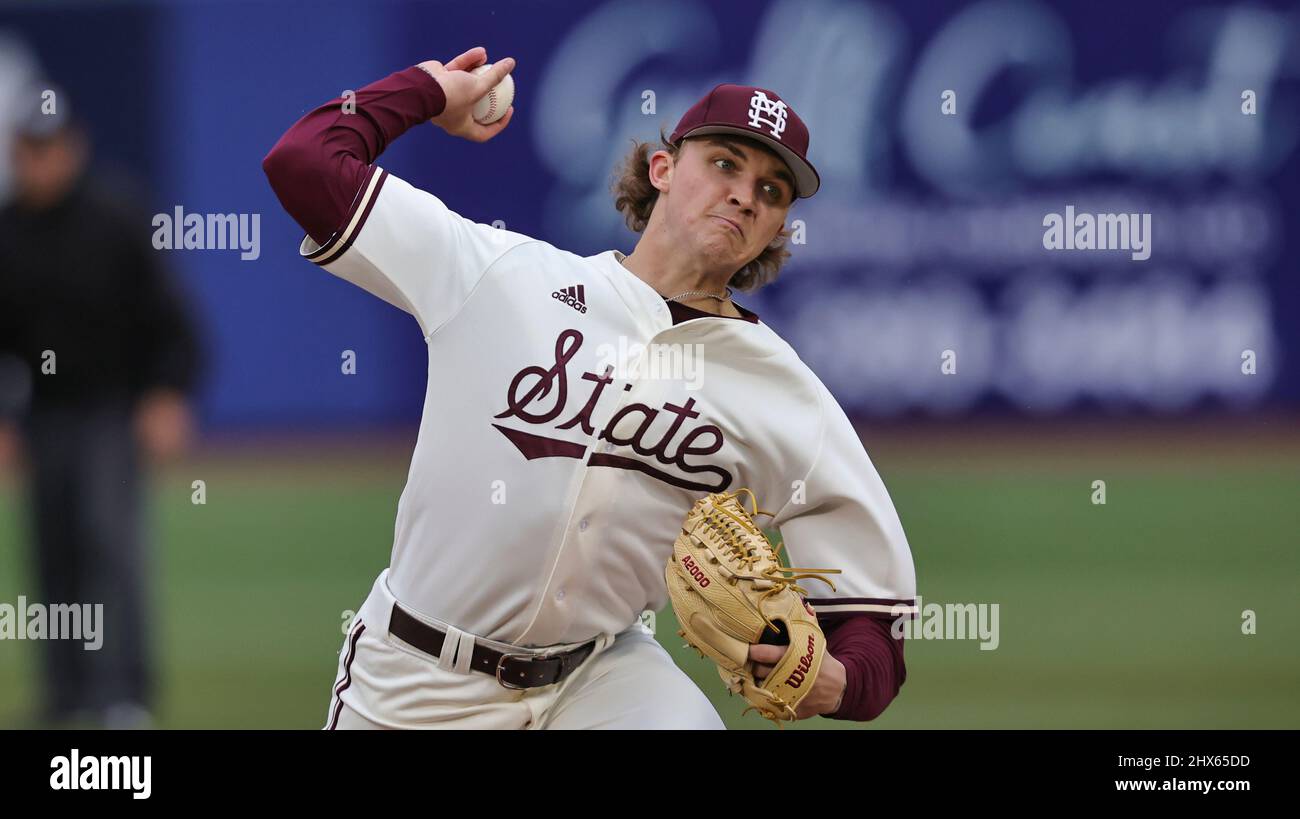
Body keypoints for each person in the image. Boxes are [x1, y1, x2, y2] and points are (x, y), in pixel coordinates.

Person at [262, 47, 916, 730]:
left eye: (772, 190)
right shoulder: (503, 275)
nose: (745, 194)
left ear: (779, 227)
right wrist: (426, 91)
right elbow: (303, 162)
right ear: (662, 168)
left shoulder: (779, 389)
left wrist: (838, 682)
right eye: (725, 163)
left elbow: (877, 619)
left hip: (600, 677)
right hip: (416, 677)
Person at [0, 87, 204, 729]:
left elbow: (171, 321)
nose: (42, 161)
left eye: (51, 148)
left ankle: (124, 696)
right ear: (15, 152)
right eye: (30, 149)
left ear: (74, 147)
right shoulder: (8, 231)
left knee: (110, 548)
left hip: (111, 411)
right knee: (52, 555)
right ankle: (67, 698)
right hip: (45, 415)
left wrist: (168, 393)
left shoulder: (114, 217)